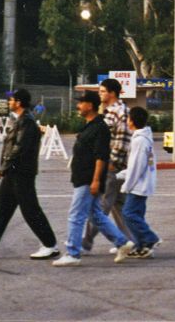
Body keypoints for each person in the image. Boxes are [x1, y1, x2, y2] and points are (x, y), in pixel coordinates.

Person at [53, 90, 133, 266]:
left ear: (90, 105)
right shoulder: (89, 126)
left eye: (81, 103)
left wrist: (96, 180)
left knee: (76, 215)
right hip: (83, 177)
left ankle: (73, 253)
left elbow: (101, 157)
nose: (78, 106)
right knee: (96, 215)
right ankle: (122, 242)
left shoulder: (100, 128)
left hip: (88, 179)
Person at [0, 89, 59, 261]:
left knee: (30, 210)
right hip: (13, 172)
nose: (9, 102)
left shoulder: (27, 123)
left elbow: (19, 148)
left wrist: (4, 167)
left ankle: (50, 245)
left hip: (21, 173)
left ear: (19, 102)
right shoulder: (20, 121)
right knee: (1, 209)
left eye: (12, 99)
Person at [82, 78, 133, 253]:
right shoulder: (111, 111)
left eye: (102, 91)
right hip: (114, 165)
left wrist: (112, 163)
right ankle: (131, 241)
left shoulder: (118, 112)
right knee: (119, 206)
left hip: (113, 166)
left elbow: (121, 141)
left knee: (100, 207)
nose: (100, 94)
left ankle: (85, 243)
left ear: (112, 93)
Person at [118, 106, 160, 260]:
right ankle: (142, 246)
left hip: (138, 186)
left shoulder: (139, 141)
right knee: (137, 215)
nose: (127, 122)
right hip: (143, 183)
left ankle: (150, 238)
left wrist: (126, 185)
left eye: (128, 119)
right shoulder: (143, 138)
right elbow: (136, 165)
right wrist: (120, 175)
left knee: (128, 214)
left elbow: (136, 167)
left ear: (133, 121)